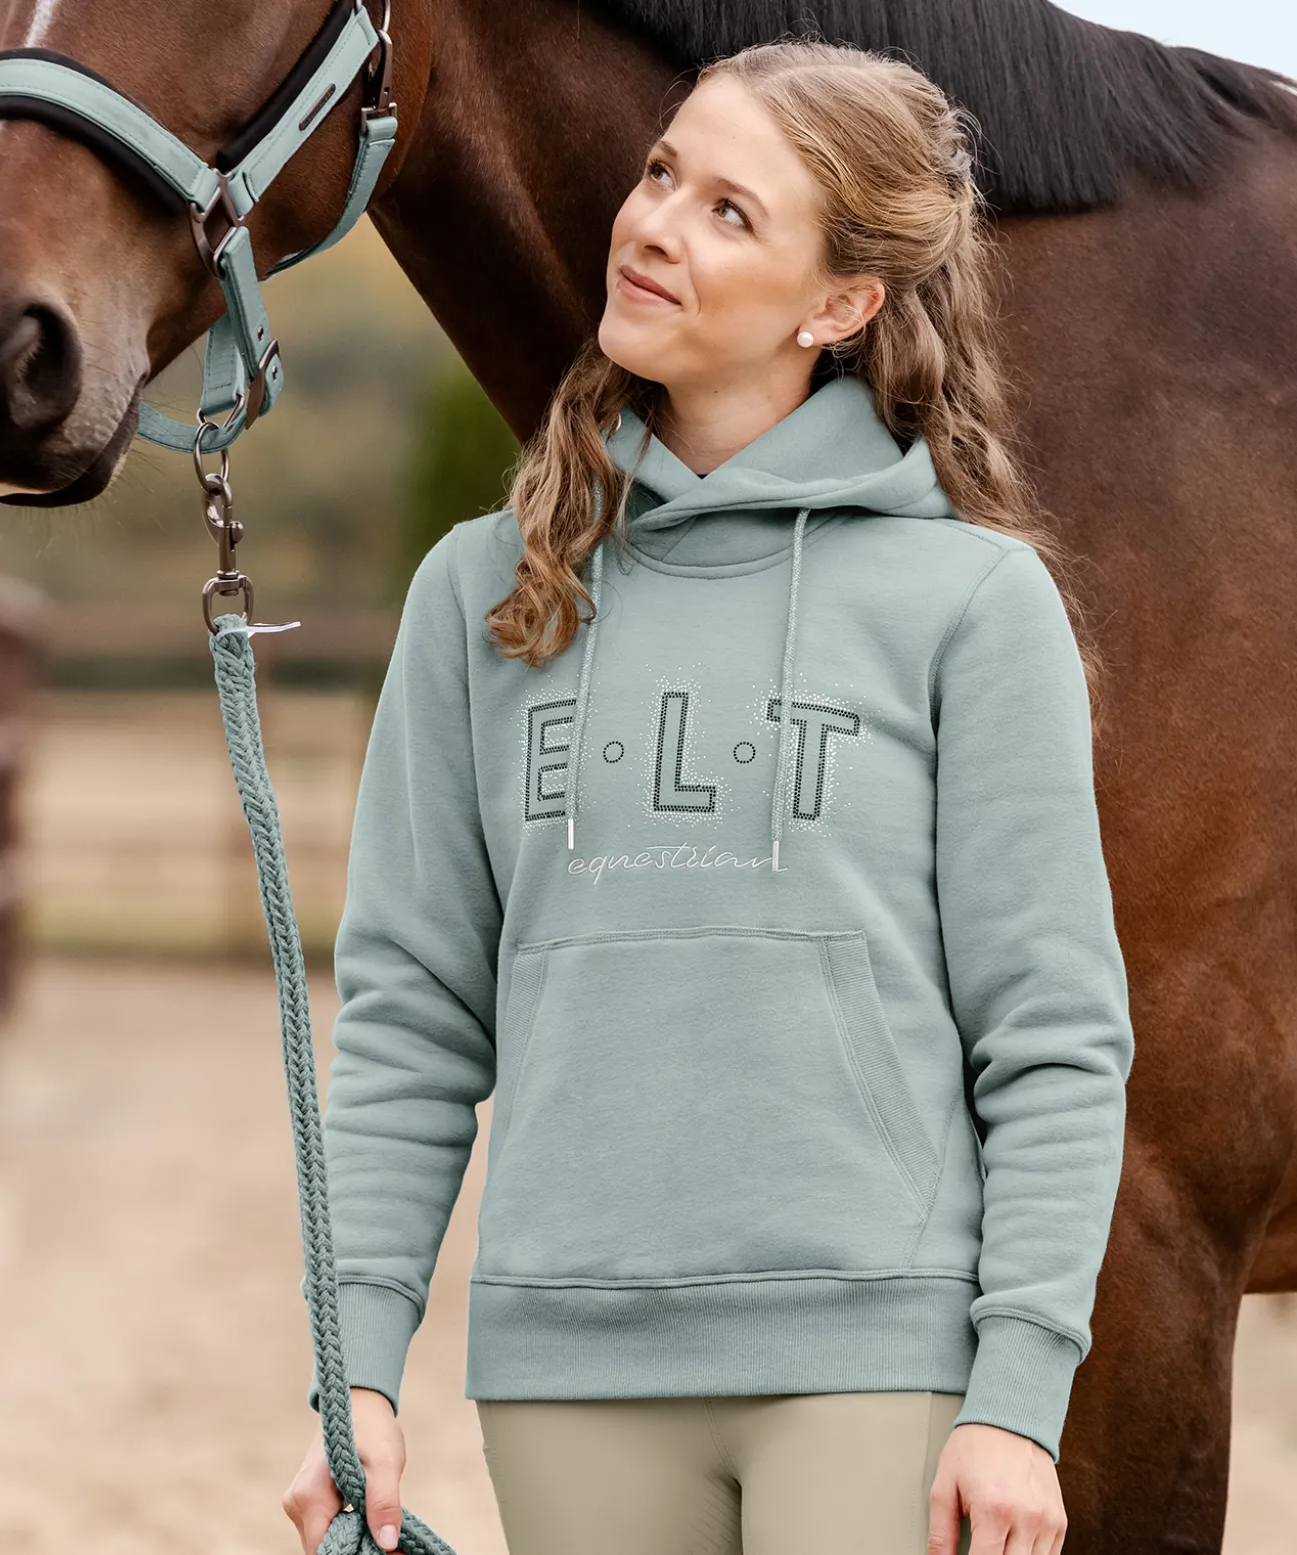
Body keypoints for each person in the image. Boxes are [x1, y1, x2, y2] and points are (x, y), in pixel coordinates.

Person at [283, 36, 1134, 1555]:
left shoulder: (971, 602)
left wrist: (1018, 1395)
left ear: (840, 304)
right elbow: (411, 1014)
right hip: (566, 1363)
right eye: (663, 173)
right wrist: (353, 1368)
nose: (656, 224)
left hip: (877, 1354)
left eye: (731, 211)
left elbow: (1055, 1034)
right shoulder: (483, 593)